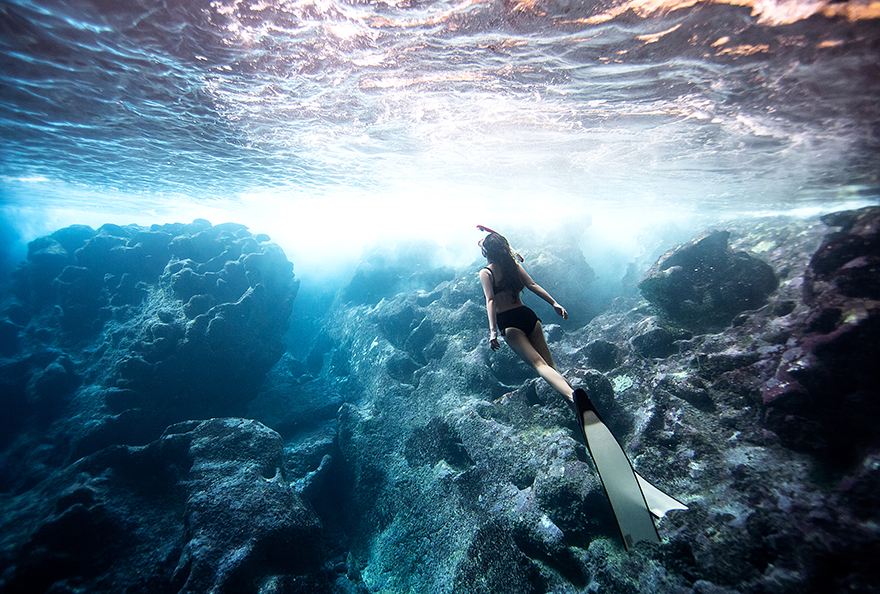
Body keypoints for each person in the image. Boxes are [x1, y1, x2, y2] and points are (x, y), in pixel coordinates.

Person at [477, 226, 576, 407]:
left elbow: (490, 301)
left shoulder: (486, 273)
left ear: (486, 252)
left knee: (539, 365)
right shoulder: (514, 266)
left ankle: (572, 397)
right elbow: (532, 285)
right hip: (528, 316)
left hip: (509, 322)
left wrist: (493, 332)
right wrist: (554, 303)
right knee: (550, 367)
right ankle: (573, 398)